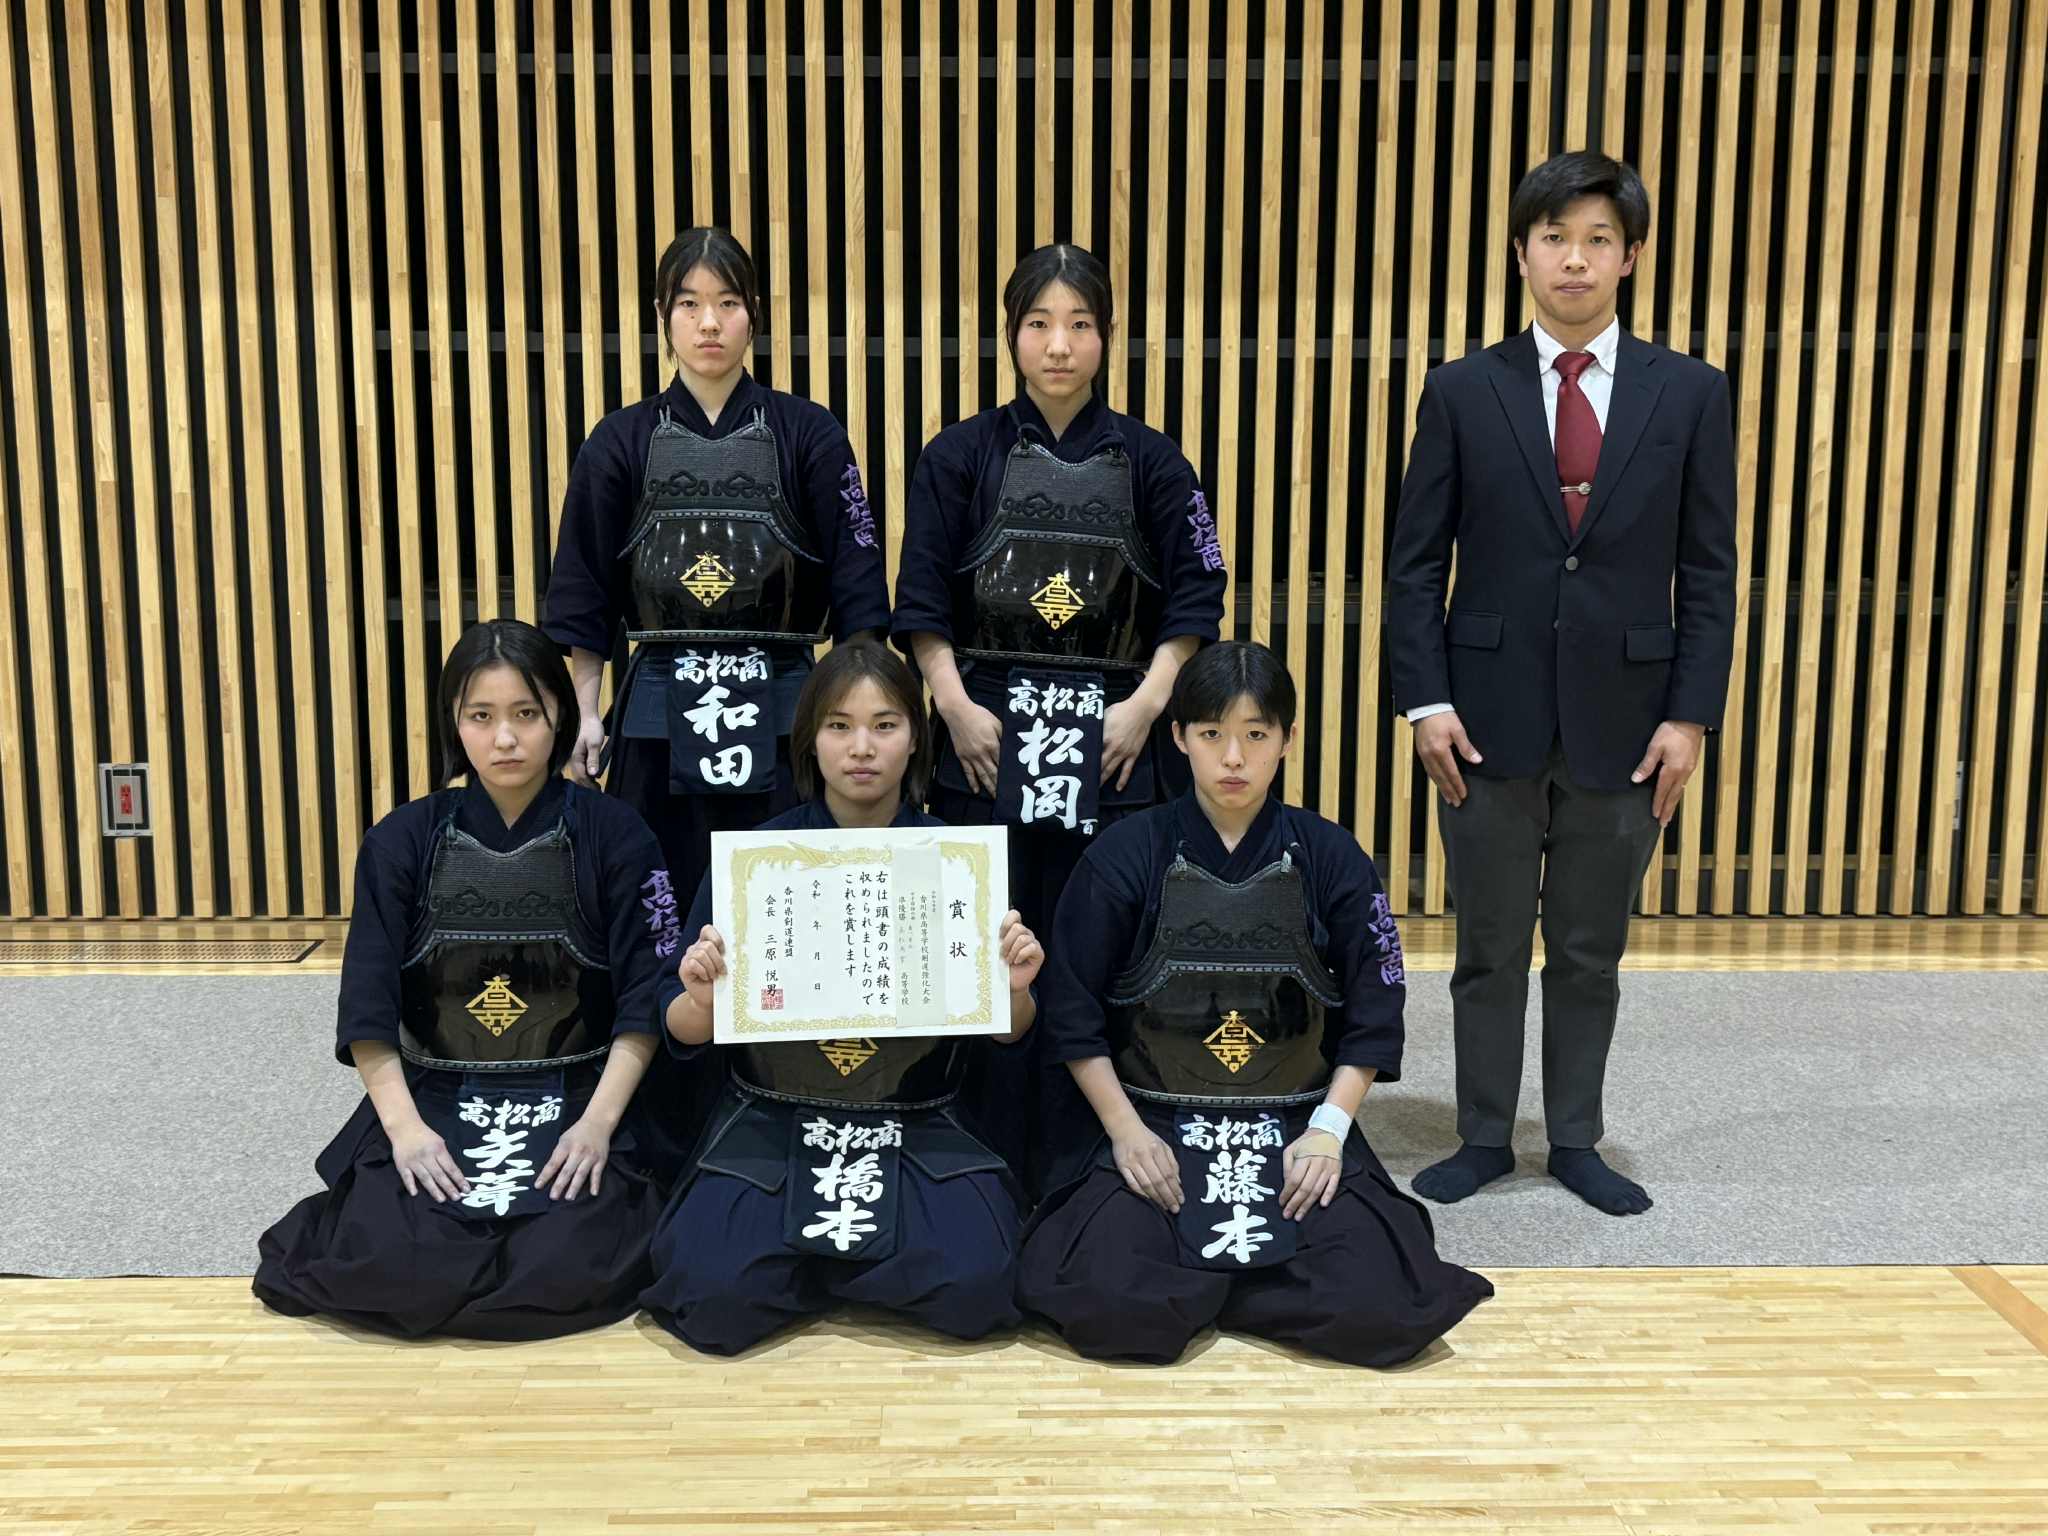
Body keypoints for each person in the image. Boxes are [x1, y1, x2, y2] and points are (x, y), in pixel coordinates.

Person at [1386, 151, 1737, 1215]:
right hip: (1481, 721)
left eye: (1596, 240)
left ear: (1629, 257)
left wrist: (1689, 717)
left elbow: (1708, 570)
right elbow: (1414, 566)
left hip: (1627, 724)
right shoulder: (1461, 390)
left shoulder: (1689, 393)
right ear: (1520, 253)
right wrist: (1425, 702)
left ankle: (1576, 1139)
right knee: (1486, 947)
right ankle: (1484, 1136)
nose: (1573, 259)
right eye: (1553, 238)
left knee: (1589, 951)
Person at [1016, 641, 1492, 1366]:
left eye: (1256, 734)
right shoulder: (1124, 853)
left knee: (1382, 1311)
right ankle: (1247, 1282)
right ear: (1180, 738)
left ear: (1288, 740)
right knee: (1109, 1308)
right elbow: (1073, 1013)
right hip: (1157, 1121)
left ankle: (1206, 1287)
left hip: (1294, 1127)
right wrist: (1125, 1133)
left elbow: (1375, 1012)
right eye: (1212, 734)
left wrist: (1330, 1130)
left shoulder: (1332, 856)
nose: (1233, 758)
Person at [543, 227, 891, 1171]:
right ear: (662, 319)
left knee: (788, 920)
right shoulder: (619, 441)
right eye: (690, 305)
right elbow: (582, 595)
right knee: (665, 921)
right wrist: (584, 715)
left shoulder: (810, 434)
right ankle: (662, 1134)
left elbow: (860, 598)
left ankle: (789, 1114)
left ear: (755, 317)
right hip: (657, 723)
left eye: (728, 304)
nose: (710, 324)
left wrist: (855, 727)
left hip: (783, 721)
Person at [891, 242, 1226, 1190]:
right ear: (1011, 336)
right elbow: (921, 599)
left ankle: (1094, 1155)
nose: (1060, 345)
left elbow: (1197, 599)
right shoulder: (958, 455)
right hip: (986, 739)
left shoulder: (1157, 462)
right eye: (1039, 324)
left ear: (1107, 337)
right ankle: (979, 1153)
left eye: (1080, 325)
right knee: (987, 951)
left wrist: (1147, 705)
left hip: (1114, 742)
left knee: (1094, 949)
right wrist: (952, 705)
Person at [254, 621, 683, 1339]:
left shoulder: (617, 834)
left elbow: (646, 1000)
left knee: (574, 1260)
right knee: (391, 1261)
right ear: (454, 722)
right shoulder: (401, 839)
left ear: (560, 717)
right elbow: (367, 1007)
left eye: (526, 714)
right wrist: (406, 1133)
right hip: (439, 1096)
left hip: (575, 1093)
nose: (504, 738)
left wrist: (598, 1127)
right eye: (481, 716)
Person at [639, 640, 1044, 1355]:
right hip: (774, 1117)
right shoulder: (757, 858)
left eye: (885, 725)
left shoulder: (958, 859)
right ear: (809, 739)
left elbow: (1009, 1031)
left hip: (917, 1117)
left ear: (915, 739)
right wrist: (700, 996)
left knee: (979, 1286)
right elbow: (682, 1029)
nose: (862, 747)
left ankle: (818, 1272)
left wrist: (1014, 990)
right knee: (708, 1294)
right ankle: (855, 1273)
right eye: (839, 726)